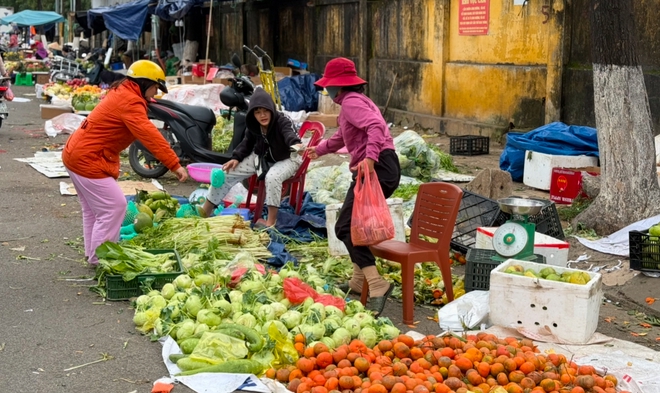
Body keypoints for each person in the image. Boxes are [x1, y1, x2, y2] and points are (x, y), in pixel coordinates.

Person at [62, 60, 188, 266]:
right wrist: (174, 164)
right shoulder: (130, 101)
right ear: (144, 83)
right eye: (155, 87)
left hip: (77, 153)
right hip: (87, 158)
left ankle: (94, 256)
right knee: (115, 207)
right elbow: (149, 135)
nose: (155, 93)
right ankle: (102, 260)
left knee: (95, 211)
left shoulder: (125, 92)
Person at [306, 57, 401, 316]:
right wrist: (320, 149)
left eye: (329, 86)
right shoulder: (354, 103)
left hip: (376, 168)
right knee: (354, 226)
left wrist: (370, 158)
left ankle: (377, 284)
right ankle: (358, 281)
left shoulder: (351, 102)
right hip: (377, 168)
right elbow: (342, 136)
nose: (327, 91)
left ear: (337, 86)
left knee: (345, 226)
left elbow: (375, 127)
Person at [202, 88, 303, 227]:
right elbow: (247, 142)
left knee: (272, 177)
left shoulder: (282, 120)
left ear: (271, 109)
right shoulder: (254, 124)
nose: (262, 115)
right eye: (257, 112)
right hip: (264, 156)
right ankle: (204, 212)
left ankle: (270, 222)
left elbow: (290, 135)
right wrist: (236, 157)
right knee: (225, 173)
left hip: (288, 157)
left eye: (265, 110)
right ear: (253, 114)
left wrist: (296, 144)